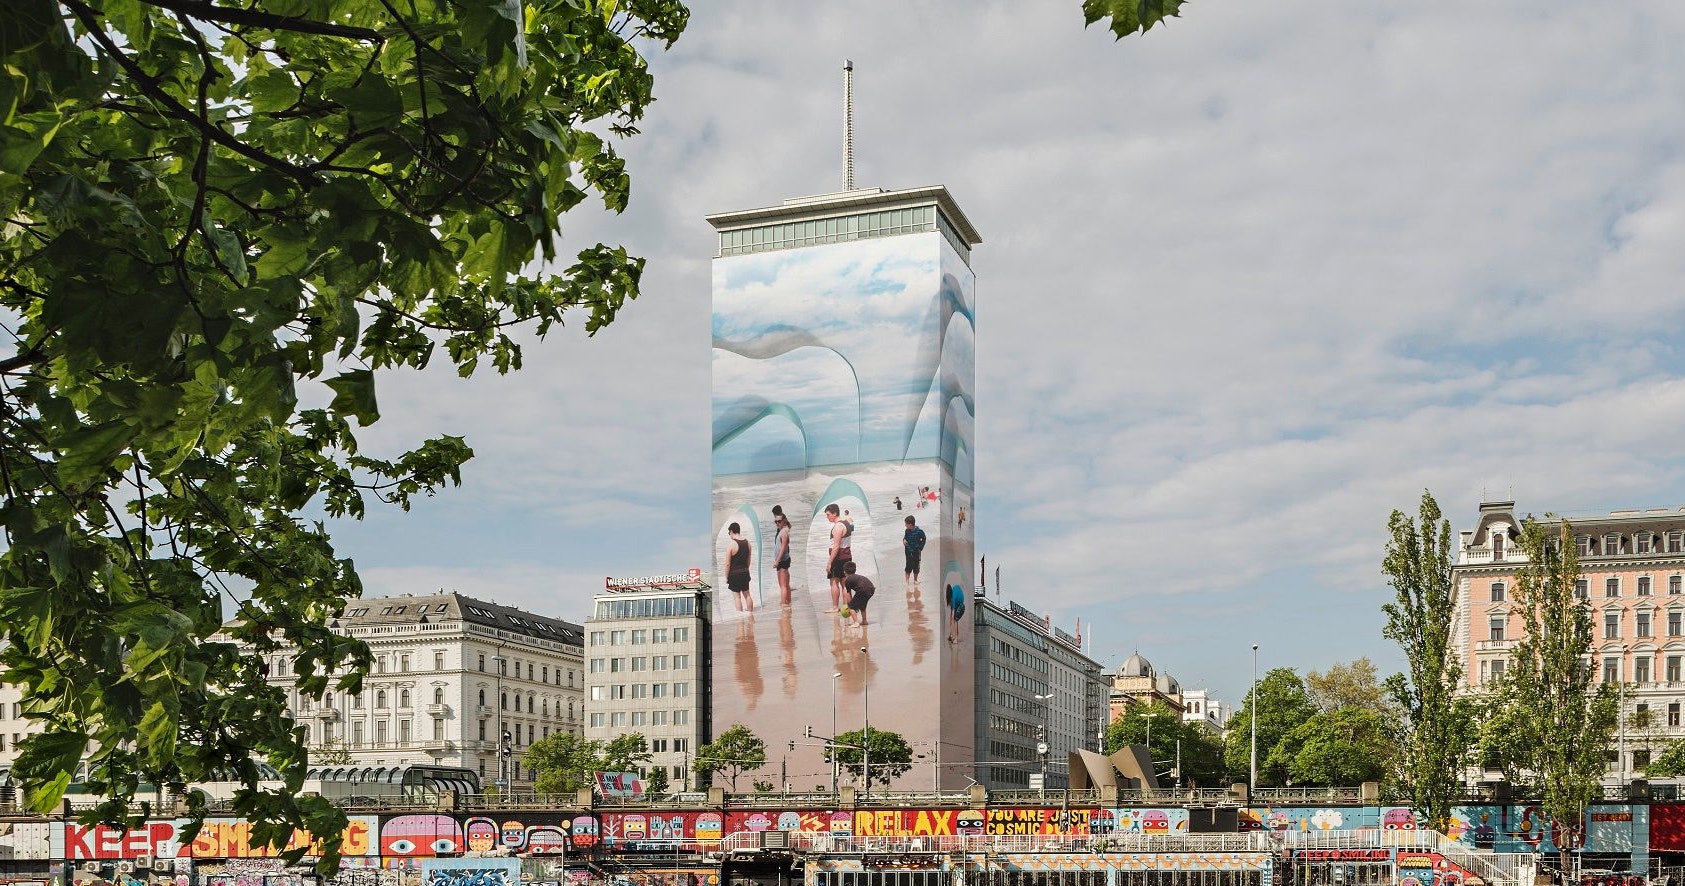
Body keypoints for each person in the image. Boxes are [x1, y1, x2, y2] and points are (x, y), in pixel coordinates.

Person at [824, 503, 851, 611]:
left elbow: (836, 547)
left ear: (835, 513)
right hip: (847, 556)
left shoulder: (838, 526)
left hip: (838, 558)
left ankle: (835, 607)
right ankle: (846, 607)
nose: (827, 517)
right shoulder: (846, 523)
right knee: (845, 583)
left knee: (834, 582)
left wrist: (829, 562)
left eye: (828, 514)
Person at [724, 522, 753, 612]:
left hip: (734, 574)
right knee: (747, 595)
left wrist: (726, 577)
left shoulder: (731, 545)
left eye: (729, 533)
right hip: (745, 572)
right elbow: (748, 560)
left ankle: (740, 617)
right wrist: (746, 570)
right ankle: (750, 614)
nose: (729, 535)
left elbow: (727, 564)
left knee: (737, 597)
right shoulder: (748, 543)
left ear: (731, 531)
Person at [771, 505, 792, 605]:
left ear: (784, 521)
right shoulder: (784, 530)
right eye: (776, 522)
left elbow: (783, 548)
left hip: (782, 560)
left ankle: (784, 604)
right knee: (786, 584)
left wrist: (777, 561)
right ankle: (788, 602)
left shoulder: (783, 531)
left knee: (783, 585)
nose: (777, 523)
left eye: (779, 521)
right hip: (784, 559)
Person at [842, 561, 875, 626]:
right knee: (862, 606)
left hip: (862, 590)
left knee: (851, 607)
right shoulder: (858, 576)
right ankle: (864, 621)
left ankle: (856, 622)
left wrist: (849, 605)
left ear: (845, 572)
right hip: (871, 589)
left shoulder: (848, 580)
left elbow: (848, 594)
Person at [902, 515, 926, 592]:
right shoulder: (907, 531)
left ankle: (915, 579)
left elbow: (924, 538)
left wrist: (920, 547)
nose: (905, 525)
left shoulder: (919, 531)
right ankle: (907, 581)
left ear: (910, 524)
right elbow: (905, 538)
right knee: (908, 565)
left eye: (906, 524)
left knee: (916, 565)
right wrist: (904, 540)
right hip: (908, 550)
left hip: (916, 551)